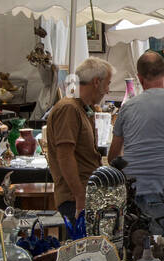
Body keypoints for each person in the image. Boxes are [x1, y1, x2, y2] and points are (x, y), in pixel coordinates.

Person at [107, 51, 164, 237]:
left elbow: (113, 157)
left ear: (139, 78)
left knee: (136, 254)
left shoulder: (127, 107)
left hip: (133, 191)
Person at [45, 57, 113, 225]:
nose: (108, 90)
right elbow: (65, 156)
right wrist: (80, 196)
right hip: (74, 200)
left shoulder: (82, 108)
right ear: (96, 82)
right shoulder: (69, 108)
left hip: (85, 196)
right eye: (108, 83)